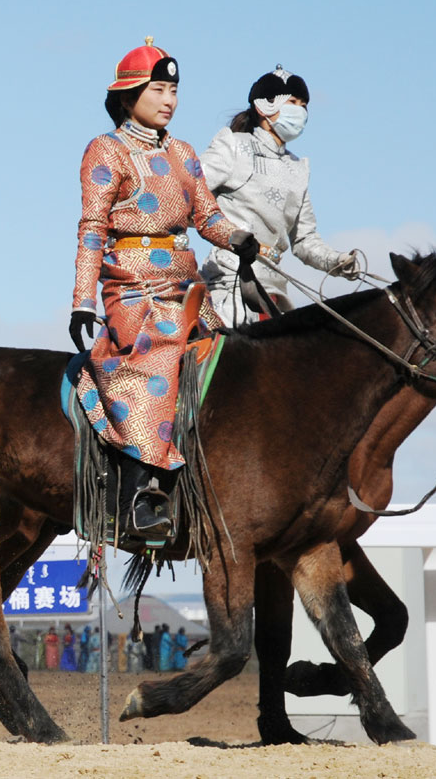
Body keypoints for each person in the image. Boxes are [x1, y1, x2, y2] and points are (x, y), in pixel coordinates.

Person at [69, 38, 259, 538]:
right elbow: (92, 227)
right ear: (129, 95)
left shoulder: (184, 152)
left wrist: (237, 238)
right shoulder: (106, 150)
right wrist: (82, 301)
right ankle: (139, 495)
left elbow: (208, 217)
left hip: (186, 281)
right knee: (157, 361)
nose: (169, 99)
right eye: (158, 89)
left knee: (233, 352)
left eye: (174, 89)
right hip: (133, 286)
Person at [200, 65, 360, 325]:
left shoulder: (298, 169)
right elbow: (190, 190)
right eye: (293, 102)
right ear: (265, 106)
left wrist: (337, 262)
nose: (301, 110)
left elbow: (305, 240)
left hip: (274, 288)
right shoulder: (233, 146)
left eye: (304, 104)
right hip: (230, 280)